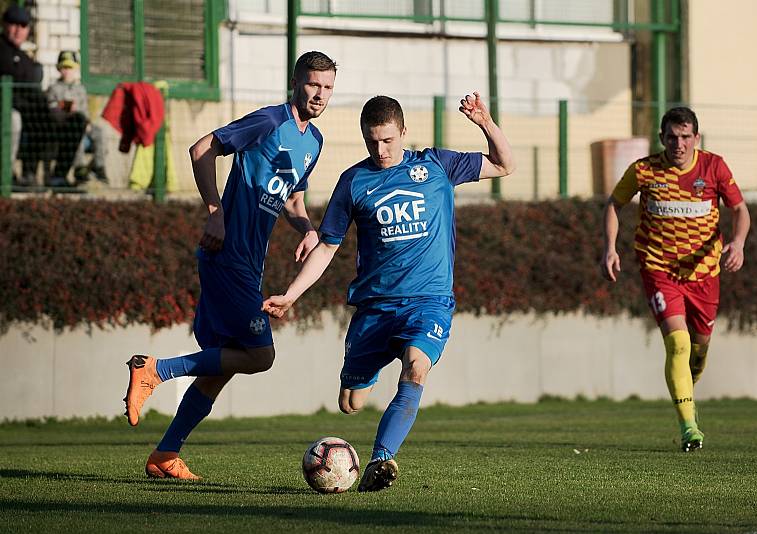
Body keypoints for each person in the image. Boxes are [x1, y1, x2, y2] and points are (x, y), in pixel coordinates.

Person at [264, 92, 515, 491]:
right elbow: (328, 246)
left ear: (403, 132)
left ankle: (382, 459)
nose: (380, 150)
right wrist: (291, 295)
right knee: (351, 403)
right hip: (375, 308)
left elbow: (504, 164)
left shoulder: (436, 165)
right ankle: (368, 387)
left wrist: (485, 122)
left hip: (429, 301)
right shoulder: (353, 182)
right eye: (372, 141)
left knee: (416, 368)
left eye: (387, 140)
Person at [123, 51, 337, 480]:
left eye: (328, 87)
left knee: (219, 369)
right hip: (228, 258)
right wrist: (215, 210)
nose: (320, 94)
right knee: (260, 356)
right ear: (297, 82)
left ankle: (165, 455)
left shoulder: (313, 141)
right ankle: (155, 370)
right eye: (313, 84)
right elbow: (201, 149)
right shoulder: (268, 121)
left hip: (248, 264)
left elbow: (292, 198)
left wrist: (308, 230)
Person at [601, 106, 750, 452]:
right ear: (661, 138)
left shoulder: (714, 167)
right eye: (672, 137)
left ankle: (688, 392)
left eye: (685, 137)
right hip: (659, 270)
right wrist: (610, 248)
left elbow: (740, 209)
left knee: (698, 350)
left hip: (704, 274)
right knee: (678, 344)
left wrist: (738, 243)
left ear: (696, 138)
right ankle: (689, 428)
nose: (678, 144)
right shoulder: (644, 171)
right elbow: (613, 204)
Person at [0, 4, 50, 186]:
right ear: (4, 25)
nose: (18, 30)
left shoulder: (23, 55)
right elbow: (18, 73)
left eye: (23, 26)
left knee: (45, 117)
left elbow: (33, 75)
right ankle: (6, 173)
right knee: (13, 121)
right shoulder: (2, 49)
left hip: (24, 108)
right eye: (13, 24)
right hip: (5, 108)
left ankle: (31, 173)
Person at [45, 50, 90, 187]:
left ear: (76, 68)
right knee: (77, 134)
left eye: (70, 67)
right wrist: (65, 108)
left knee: (99, 132)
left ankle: (98, 168)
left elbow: (85, 111)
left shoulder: (80, 89)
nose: (67, 71)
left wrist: (87, 123)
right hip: (62, 128)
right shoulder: (54, 88)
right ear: (59, 69)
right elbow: (51, 108)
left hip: (80, 125)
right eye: (64, 67)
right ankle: (79, 168)